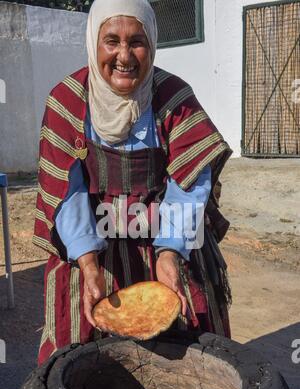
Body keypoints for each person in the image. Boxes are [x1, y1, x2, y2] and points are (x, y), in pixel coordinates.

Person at [34, 0, 232, 366]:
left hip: (168, 242)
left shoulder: (174, 100)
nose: (124, 55)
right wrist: (89, 263)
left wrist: (170, 252)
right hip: (93, 248)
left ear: (152, 43)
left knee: (194, 356)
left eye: (136, 41)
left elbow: (189, 182)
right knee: (81, 361)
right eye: (112, 41)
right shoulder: (66, 102)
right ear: (94, 42)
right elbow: (67, 192)